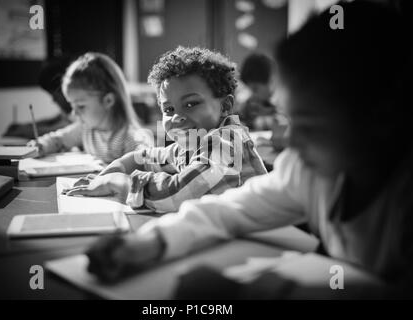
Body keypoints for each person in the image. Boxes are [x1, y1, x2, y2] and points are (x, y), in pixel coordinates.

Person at [82, 1, 413, 298]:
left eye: (311, 124)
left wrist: (248, 293)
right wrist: (152, 243)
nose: (291, 143)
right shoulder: (309, 170)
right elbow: (230, 210)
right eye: (287, 117)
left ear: (385, 117)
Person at [64, 46, 267, 213]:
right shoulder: (192, 143)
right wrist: (105, 176)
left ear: (225, 106)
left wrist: (119, 182)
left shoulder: (226, 142)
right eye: (168, 109)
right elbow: (143, 157)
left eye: (191, 104)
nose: (177, 117)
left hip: (263, 243)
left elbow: (179, 194)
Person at [27, 52, 151, 164]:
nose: (74, 113)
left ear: (108, 101)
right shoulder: (85, 129)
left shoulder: (130, 138)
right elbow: (58, 139)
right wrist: (42, 146)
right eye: (72, 105)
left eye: (81, 106)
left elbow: (145, 167)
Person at [3, 56, 74, 139]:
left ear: (64, 90)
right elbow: (57, 119)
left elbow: (66, 128)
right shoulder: (69, 111)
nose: (53, 100)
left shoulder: (78, 111)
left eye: (54, 95)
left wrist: (26, 131)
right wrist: (28, 125)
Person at [238, 52, 286, 131]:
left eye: (255, 89)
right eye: (249, 89)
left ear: (271, 80)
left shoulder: (283, 104)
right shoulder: (247, 106)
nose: (252, 94)